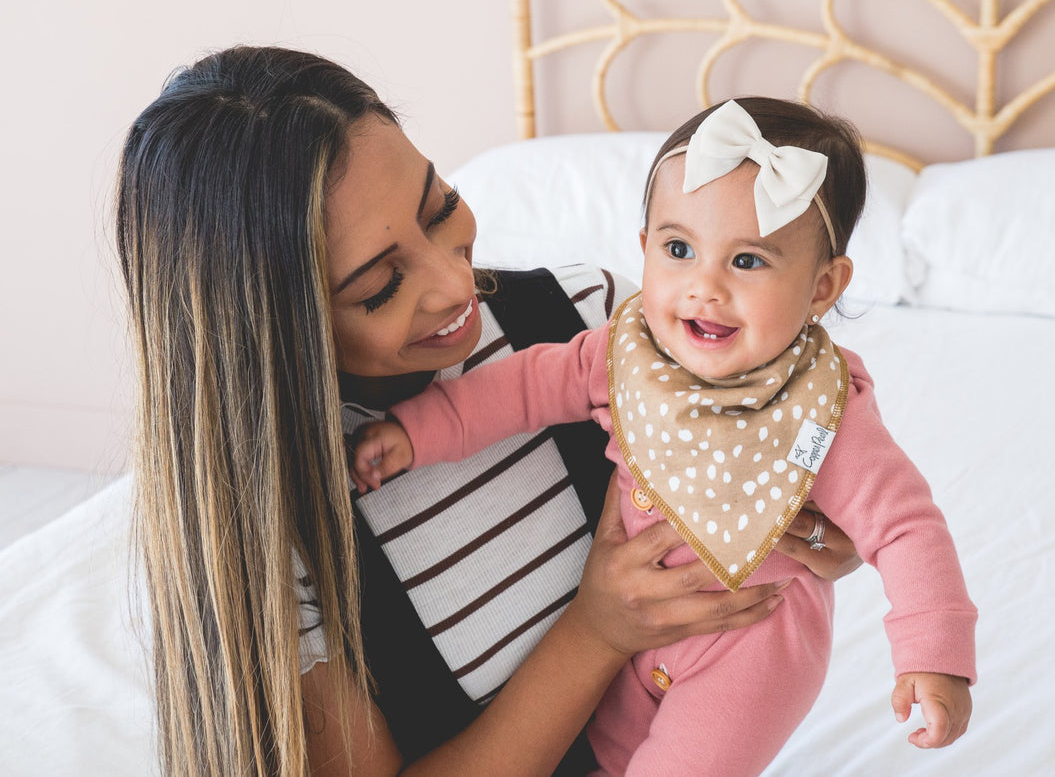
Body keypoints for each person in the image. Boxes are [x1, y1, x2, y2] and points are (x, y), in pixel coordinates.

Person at [115, 46, 862, 777]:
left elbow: (818, 481)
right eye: (380, 285)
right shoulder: (269, 528)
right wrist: (596, 631)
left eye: (439, 209)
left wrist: (831, 534)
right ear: (275, 327)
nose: (452, 284)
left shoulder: (588, 322)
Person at [352, 98, 978, 775]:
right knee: (611, 755)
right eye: (679, 249)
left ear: (822, 286)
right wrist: (415, 433)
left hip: (750, 636)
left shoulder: (824, 409)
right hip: (633, 644)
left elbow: (905, 527)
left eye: (748, 262)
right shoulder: (625, 351)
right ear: (643, 246)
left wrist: (933, 656)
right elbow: (523, 387)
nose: (704, 287)